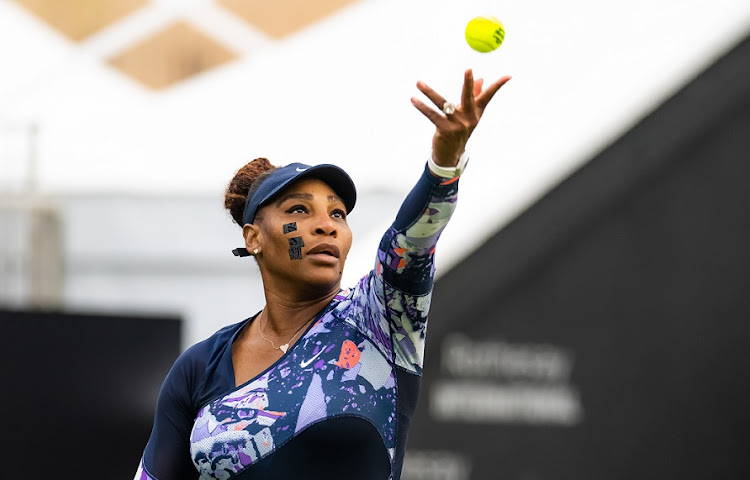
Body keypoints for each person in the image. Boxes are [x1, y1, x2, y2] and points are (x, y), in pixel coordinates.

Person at [134, 69, 511, 480]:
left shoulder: (378, 322)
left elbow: (409, 245)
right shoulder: (200, 366)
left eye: (338, 214)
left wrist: (443, 164)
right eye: (299, 210)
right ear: (254, 237)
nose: (326, 225)